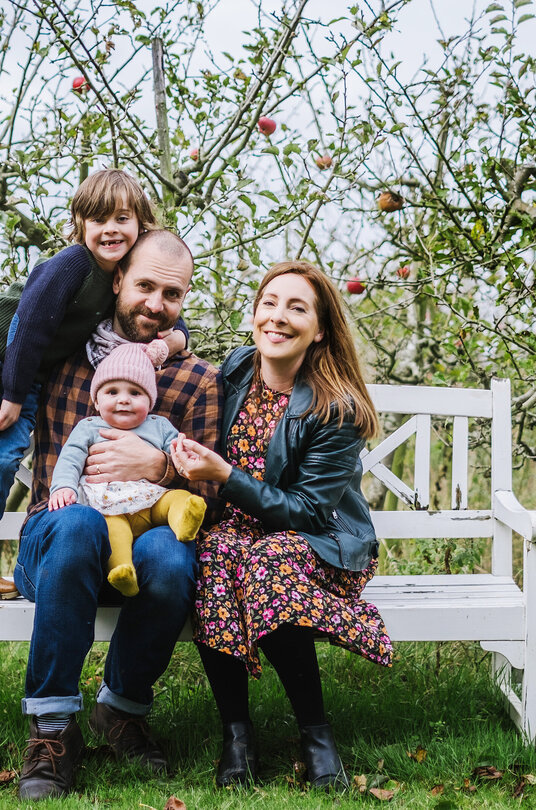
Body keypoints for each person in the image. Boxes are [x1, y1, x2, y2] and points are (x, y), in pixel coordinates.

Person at [0, 229, 221, 801]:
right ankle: (52, 726)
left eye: (172, 294)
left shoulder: (197, 379)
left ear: (185, 299)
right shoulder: (61, 356)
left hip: (143, 552)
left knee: (170, 552)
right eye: (144, 286)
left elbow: (207, 497)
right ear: (118, 281)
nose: (155, 305)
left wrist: (160, 470)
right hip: (58, 544)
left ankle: (121, 709)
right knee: (79, 524)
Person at [0, 169, 183, 603]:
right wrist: (9, 394)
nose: (111, 229)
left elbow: (171, 312)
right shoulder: (73, 263)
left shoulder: (127, 276)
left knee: (3, 461)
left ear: (141, 226)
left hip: (26, 379)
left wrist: (172, 341)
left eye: (122, 218)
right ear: (81, 226)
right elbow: (25, 327)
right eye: (98, 219)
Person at [171, 260, 393, 790]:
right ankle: (237, 735)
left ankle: (317, 736)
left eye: (297, 307)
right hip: (240, 535)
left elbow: (310, 511)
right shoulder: (235, 370)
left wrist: (225, 476)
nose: (278, 317)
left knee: (269, 561)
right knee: (216, 553)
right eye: (269, 303)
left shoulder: (336, 407)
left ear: (319, 330)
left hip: (318, 542)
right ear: (254, 316)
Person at [48, 340, 207, 597]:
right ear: (97, 402)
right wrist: (64, 487)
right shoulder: (89, 427)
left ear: (150, 401)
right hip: (109, 505)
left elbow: (179, 451)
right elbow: (70, 459)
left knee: (178, 498)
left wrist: (183, 453)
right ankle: (123, 572)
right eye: (112, 392)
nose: (124, 400)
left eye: (135, 393)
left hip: (151, 500)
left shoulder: (159, 426)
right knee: (113, 531)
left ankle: (184, 521)